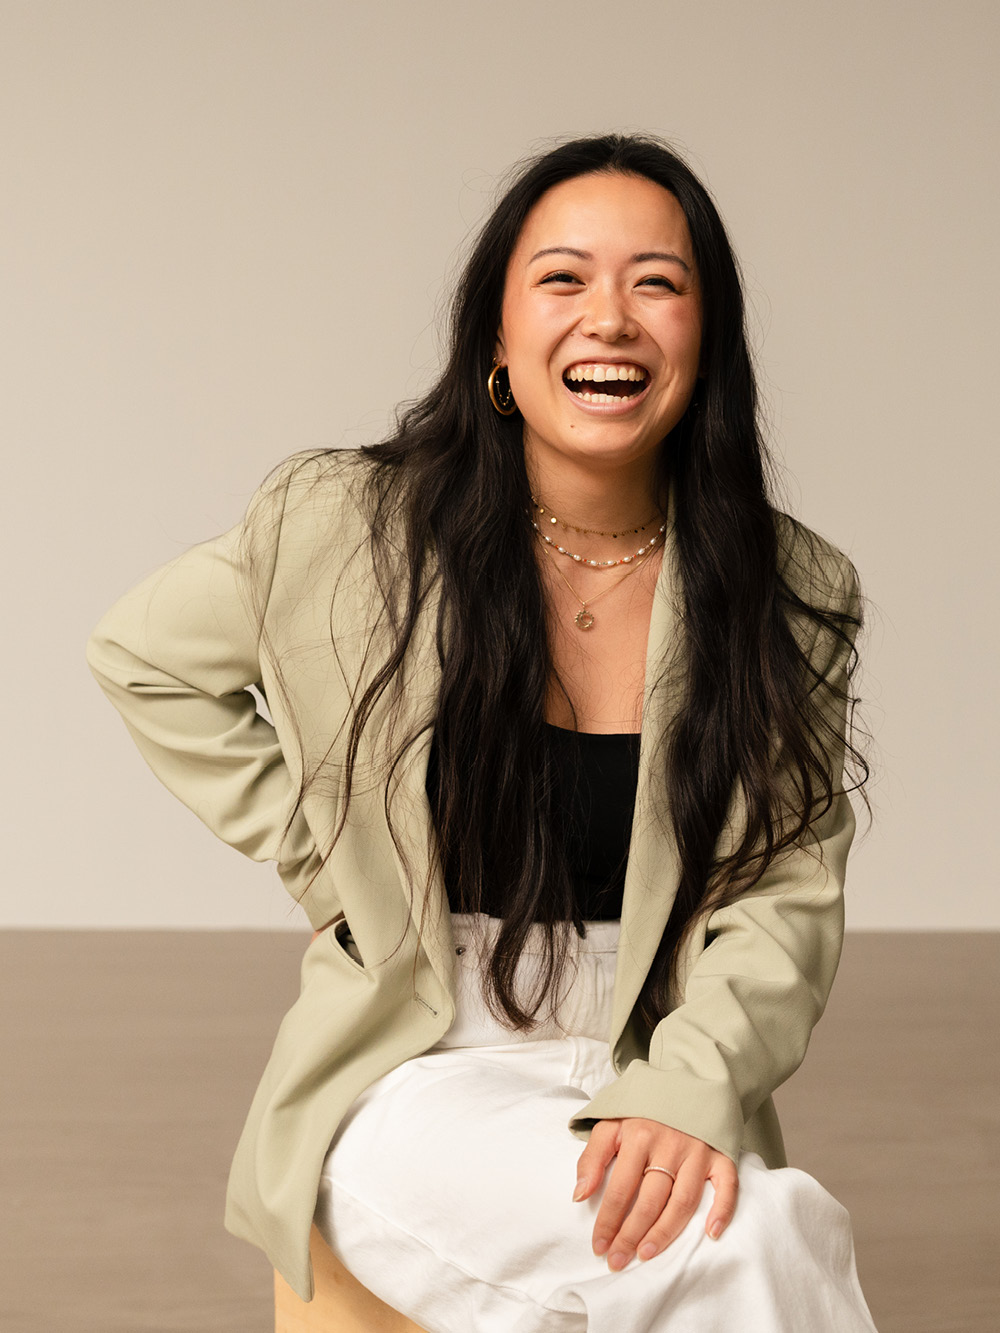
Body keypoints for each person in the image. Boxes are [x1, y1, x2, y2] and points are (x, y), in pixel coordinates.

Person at [86, 133, 878, 1330]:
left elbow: (782, 898)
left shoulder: (785, 586)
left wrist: (685, 1088)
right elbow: (142, 657)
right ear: (497, 341)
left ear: (704, 341)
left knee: (759, 1232)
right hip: (414, 1064)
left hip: (653, 1056)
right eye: (562, 279)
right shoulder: (344, 524)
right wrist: (331, 859)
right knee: (753, 1243)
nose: (609, 317)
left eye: (656, 283)